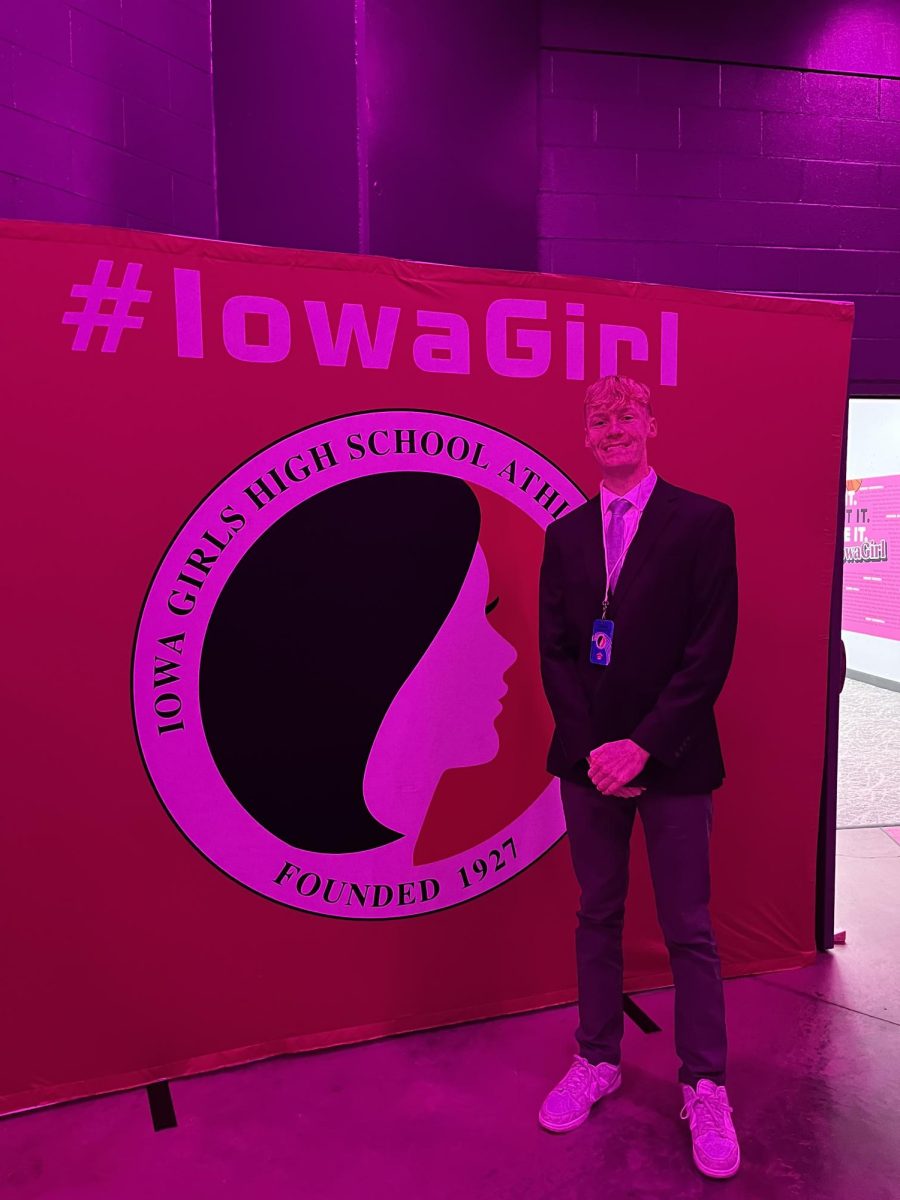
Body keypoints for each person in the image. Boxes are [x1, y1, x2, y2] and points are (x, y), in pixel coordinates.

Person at [536, 375, 741, 1180]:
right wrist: (596, 750)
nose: (614, 427)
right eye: (599, 418)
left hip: (678, 758)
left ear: (652, 426)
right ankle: (598, 1058)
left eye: (627, 414)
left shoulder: (704, 522)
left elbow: (710, 650)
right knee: (597, 914)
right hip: (588, 764)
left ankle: (706, 1084)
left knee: (689, 928)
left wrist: (643, 748)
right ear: (586, 437)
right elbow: (556, 650)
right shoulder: (566, 534)